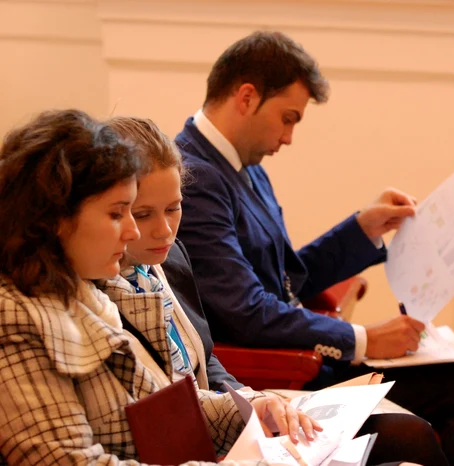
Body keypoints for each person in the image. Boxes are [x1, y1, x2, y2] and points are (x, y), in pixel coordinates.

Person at [174, 31, 454, 465]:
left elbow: (287, 279)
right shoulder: (196, 177)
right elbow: (246, 312)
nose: (288, 137)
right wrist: (364, 339)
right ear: (246, 97)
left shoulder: (245, 165)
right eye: (288, 118)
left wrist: (362, 229)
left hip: (299, 353)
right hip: (277, 370)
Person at [100, 115, 449, 466]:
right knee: (409, 440)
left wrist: (252, 402)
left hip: (226, 419)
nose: (164, 230)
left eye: (174, 209)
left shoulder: (170, 256)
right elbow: (246, 313)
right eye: (143, 214)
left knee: (410, 436)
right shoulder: (100, 295)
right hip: (193, 445)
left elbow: (205, 357)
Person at [0, 109, 315, 465]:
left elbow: (160, 405)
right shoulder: (14, 316)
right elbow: (69, 461)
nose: (134, 231)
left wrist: (251, 408)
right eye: (119, 213)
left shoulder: (82, 293)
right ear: (56, 217)